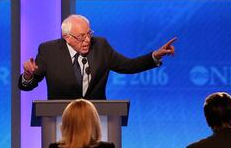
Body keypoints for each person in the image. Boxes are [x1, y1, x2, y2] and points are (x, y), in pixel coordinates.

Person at [19, 14, 176, 100]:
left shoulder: (100, 46)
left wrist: (154, 56)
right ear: (67, 37)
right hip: (61, 121)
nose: (87, 40)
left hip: (96, 118)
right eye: (81, 36)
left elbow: (129, 65)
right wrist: (27, 75)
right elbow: (28, 85)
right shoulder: (49, 51)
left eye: (89, 34)